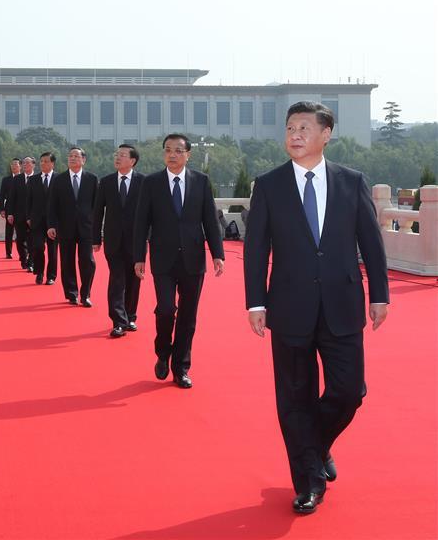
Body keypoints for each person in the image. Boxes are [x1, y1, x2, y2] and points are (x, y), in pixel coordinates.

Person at [243, 101, 388, 515]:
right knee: (293, 398)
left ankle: (316, 444)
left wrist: (379, 295)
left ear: (327, 133)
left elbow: (371, 245)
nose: (295, 133)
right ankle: (308, 480)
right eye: (291, 127)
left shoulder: (350, 181)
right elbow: (256, 250)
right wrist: (255, 301)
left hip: (342, 304)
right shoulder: (268, 185)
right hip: (288, 306)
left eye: (305, 127)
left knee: (348, 391)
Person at [134, 134, 224, 388]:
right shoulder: (152, 183)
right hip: (162, 259)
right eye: (168, 150)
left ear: (188, 154)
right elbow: (142, 223)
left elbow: (210, 220)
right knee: (165, 308)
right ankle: (163, 352)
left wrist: (218, 253)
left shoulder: (201, 181)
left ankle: (181, 367)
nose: (172, 154)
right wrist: (139, 256)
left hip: (193, 259)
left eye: (177, 150)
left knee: (188, 316)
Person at [93, 144, 145, 338]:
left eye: (122, 155)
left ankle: (130, 316)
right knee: (117, 280)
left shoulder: (143, 182)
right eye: (117, 154)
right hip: (113, 240)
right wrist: (95, 238)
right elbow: (98, 212)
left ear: (132, 161)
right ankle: (118, 321)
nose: (117, 158)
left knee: (134, 279)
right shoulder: (106, 182)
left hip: (136, 241)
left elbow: (150, 213)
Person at [47, 147, 98, 307]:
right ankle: (72, 293)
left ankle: (86, 294)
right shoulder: (59, 179)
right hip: (65, 227)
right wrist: (51, 225)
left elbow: (97, 206)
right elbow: (52, 205)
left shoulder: (92, 179)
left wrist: (97, 228)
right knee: (67, 262)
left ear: (83, 160)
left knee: (87, 261)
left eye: (76, 156)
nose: (72, 158)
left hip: (86, 228)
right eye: (70, 156)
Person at [26, 152, 58, 286]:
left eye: (46, 161)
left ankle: (51, 276)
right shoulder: (33, 180)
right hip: (37, 220)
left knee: (52, 250)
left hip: (54, 221)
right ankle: (39, 272)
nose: (43, 164)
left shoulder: (59, 179)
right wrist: (28, 217)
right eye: (41, 161)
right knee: (38, 247)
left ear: (52, 163)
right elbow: (28, 200)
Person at [8, 156, 35, 272]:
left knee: (34, 240)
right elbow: (11, 198)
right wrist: (10, 213)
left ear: (33, 165)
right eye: (23, 163)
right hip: (19, 215)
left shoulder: (38, 178)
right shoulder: (17, 179)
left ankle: (31, 262)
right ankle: (23, 258)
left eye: (28, 163)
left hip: (34, 216)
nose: (25, 165)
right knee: (20, 240)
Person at [0, 159, 20, 260]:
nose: (14, 166)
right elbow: (1, 195)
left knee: (21, 232)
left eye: (16, 164)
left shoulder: (24, 178)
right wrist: (1, 209)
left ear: (20, 166)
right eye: (12, 164)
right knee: (9, 232)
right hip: (9, 208)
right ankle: (8, 252)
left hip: (21, 209)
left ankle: (23, 252)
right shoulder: (6, 180)